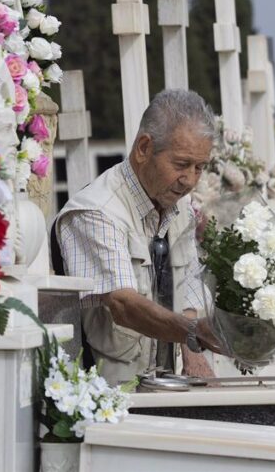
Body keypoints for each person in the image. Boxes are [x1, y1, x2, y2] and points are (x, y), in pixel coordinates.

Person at [54, 89, 224, 384]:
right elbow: (124, 306)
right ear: (144, 148)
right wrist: (194, 331)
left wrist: (192, 350)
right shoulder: (97, 211)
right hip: (108, 397)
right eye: (182, 164)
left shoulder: (178, 206)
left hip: (168, 391)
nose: (190, 181)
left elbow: (189, 283)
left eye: (200, 167)